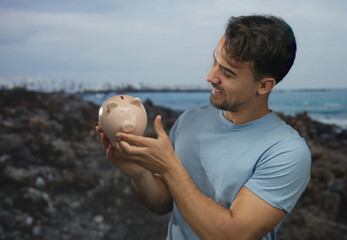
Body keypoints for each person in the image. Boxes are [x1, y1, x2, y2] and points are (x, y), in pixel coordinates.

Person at [96, 14, 311, 240]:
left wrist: (170, 168)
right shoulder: (190, 120)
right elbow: (164, 202)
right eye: (215, 61)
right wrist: (139, 172)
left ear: (265, 85)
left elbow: (232, 235)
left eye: (227, 73)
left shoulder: (287, 152)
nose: (210, 76)